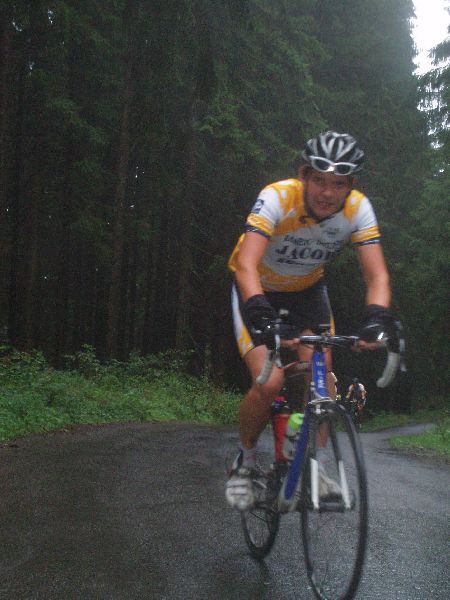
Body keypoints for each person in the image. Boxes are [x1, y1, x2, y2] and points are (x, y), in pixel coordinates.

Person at [226, 130, 395, 511]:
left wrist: (377, 319)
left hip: (307, 293)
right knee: (270, 382)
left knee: (324, 383)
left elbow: (377, 276)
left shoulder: (357, 209)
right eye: (319, 179)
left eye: (338, 183)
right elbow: (247, 263)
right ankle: (246, 458)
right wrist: (260, 316)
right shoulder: (277, 197)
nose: (327, 192)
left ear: (351, 185)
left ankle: (311, 465)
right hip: (257, 290)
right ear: (303, 175)